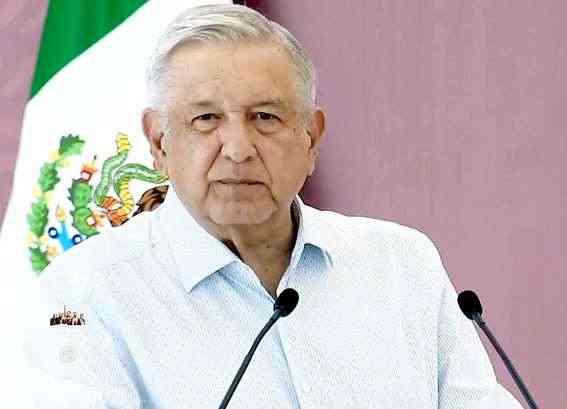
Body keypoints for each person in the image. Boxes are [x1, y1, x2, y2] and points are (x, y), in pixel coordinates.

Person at [27, 4, 523, 408]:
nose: (238, 148)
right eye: (206, 119)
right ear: (159, 142)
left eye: (265, 117)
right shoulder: (85, 292)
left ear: (311, 137)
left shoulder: (400, 264)